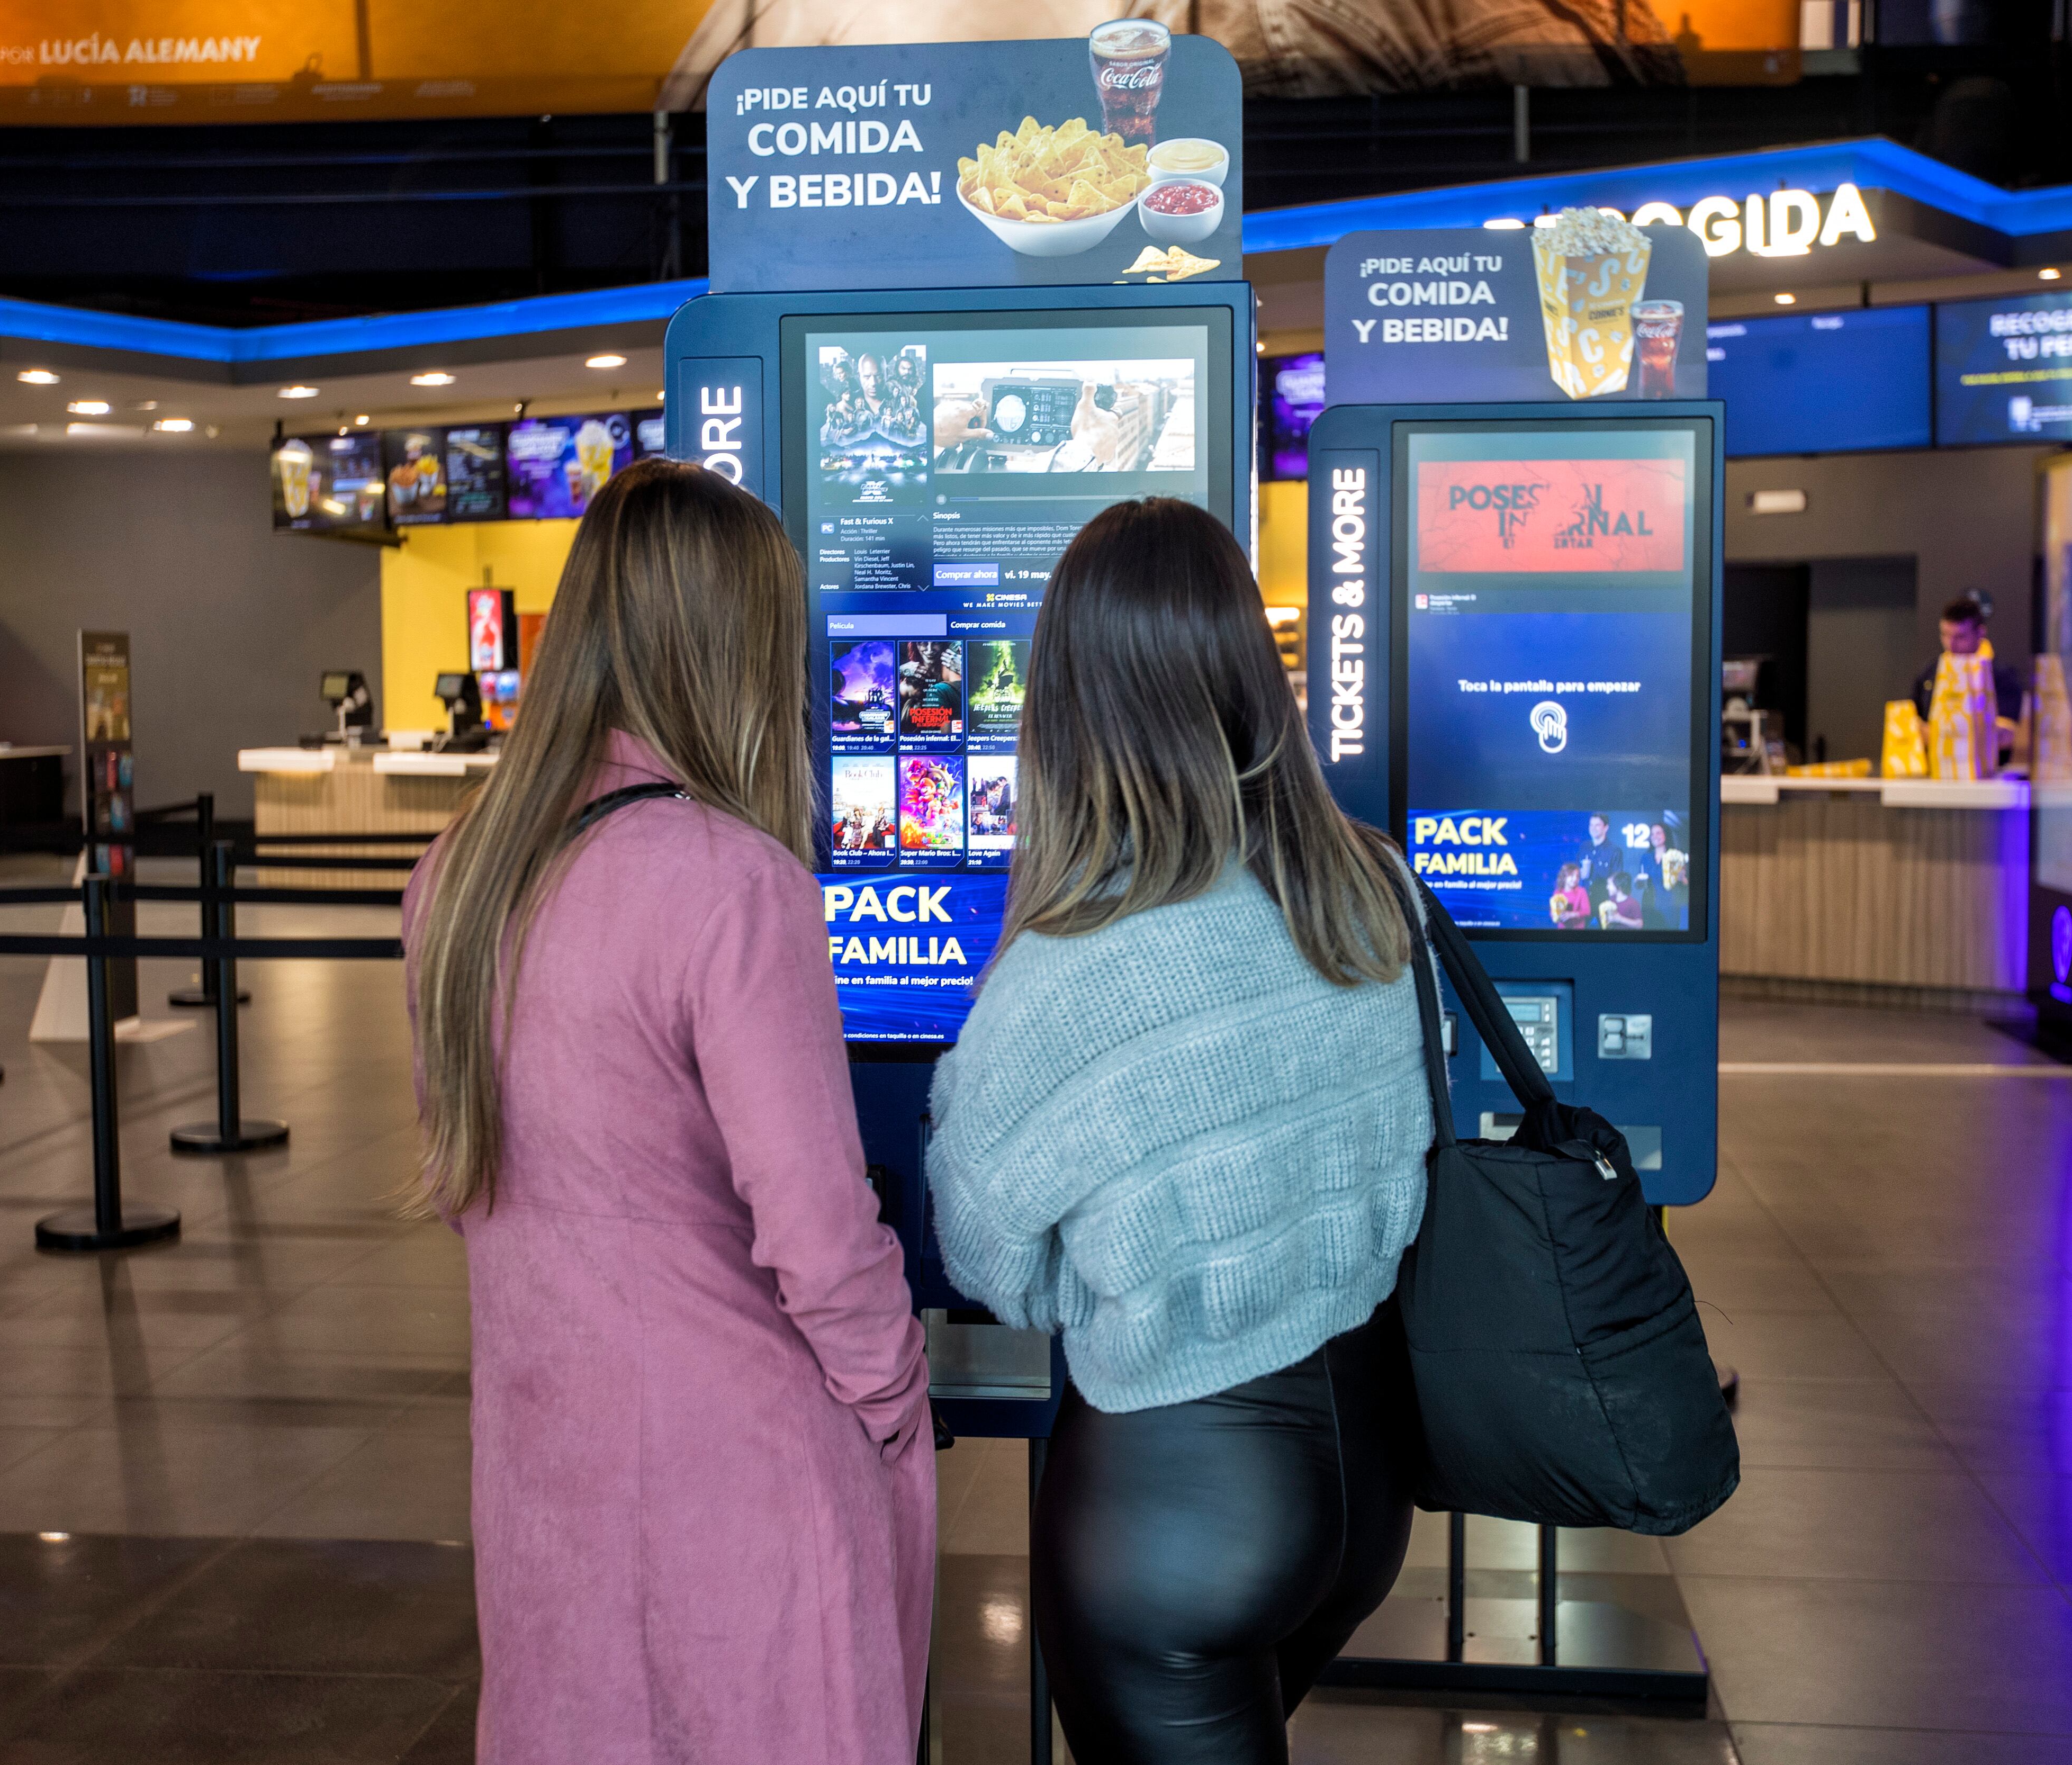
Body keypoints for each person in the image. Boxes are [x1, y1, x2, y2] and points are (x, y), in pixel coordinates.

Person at [403, 458, 934, 1763]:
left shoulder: (453, 880)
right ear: (734, 650)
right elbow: (817, 1231)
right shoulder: (732, 882)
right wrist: (896, 1396)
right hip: (746, 1478)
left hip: (544, 1473)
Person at [926, 497, 1431, 1764]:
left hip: (1173, 1512)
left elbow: (992, 1265)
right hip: (1365, 1483)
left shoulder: (1070, 964)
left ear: (1067, 701)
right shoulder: (1371, 893)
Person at [1911, 595, 2028, 761]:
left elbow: (2004, 736)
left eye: (1960, 637)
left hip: (1988, 777)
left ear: (1980, 633)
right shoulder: (1930, 672)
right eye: (1945, 635)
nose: (1950, 644)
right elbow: (1910, 726)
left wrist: (1939, 734)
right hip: (1936, 773)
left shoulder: (2001, 675)